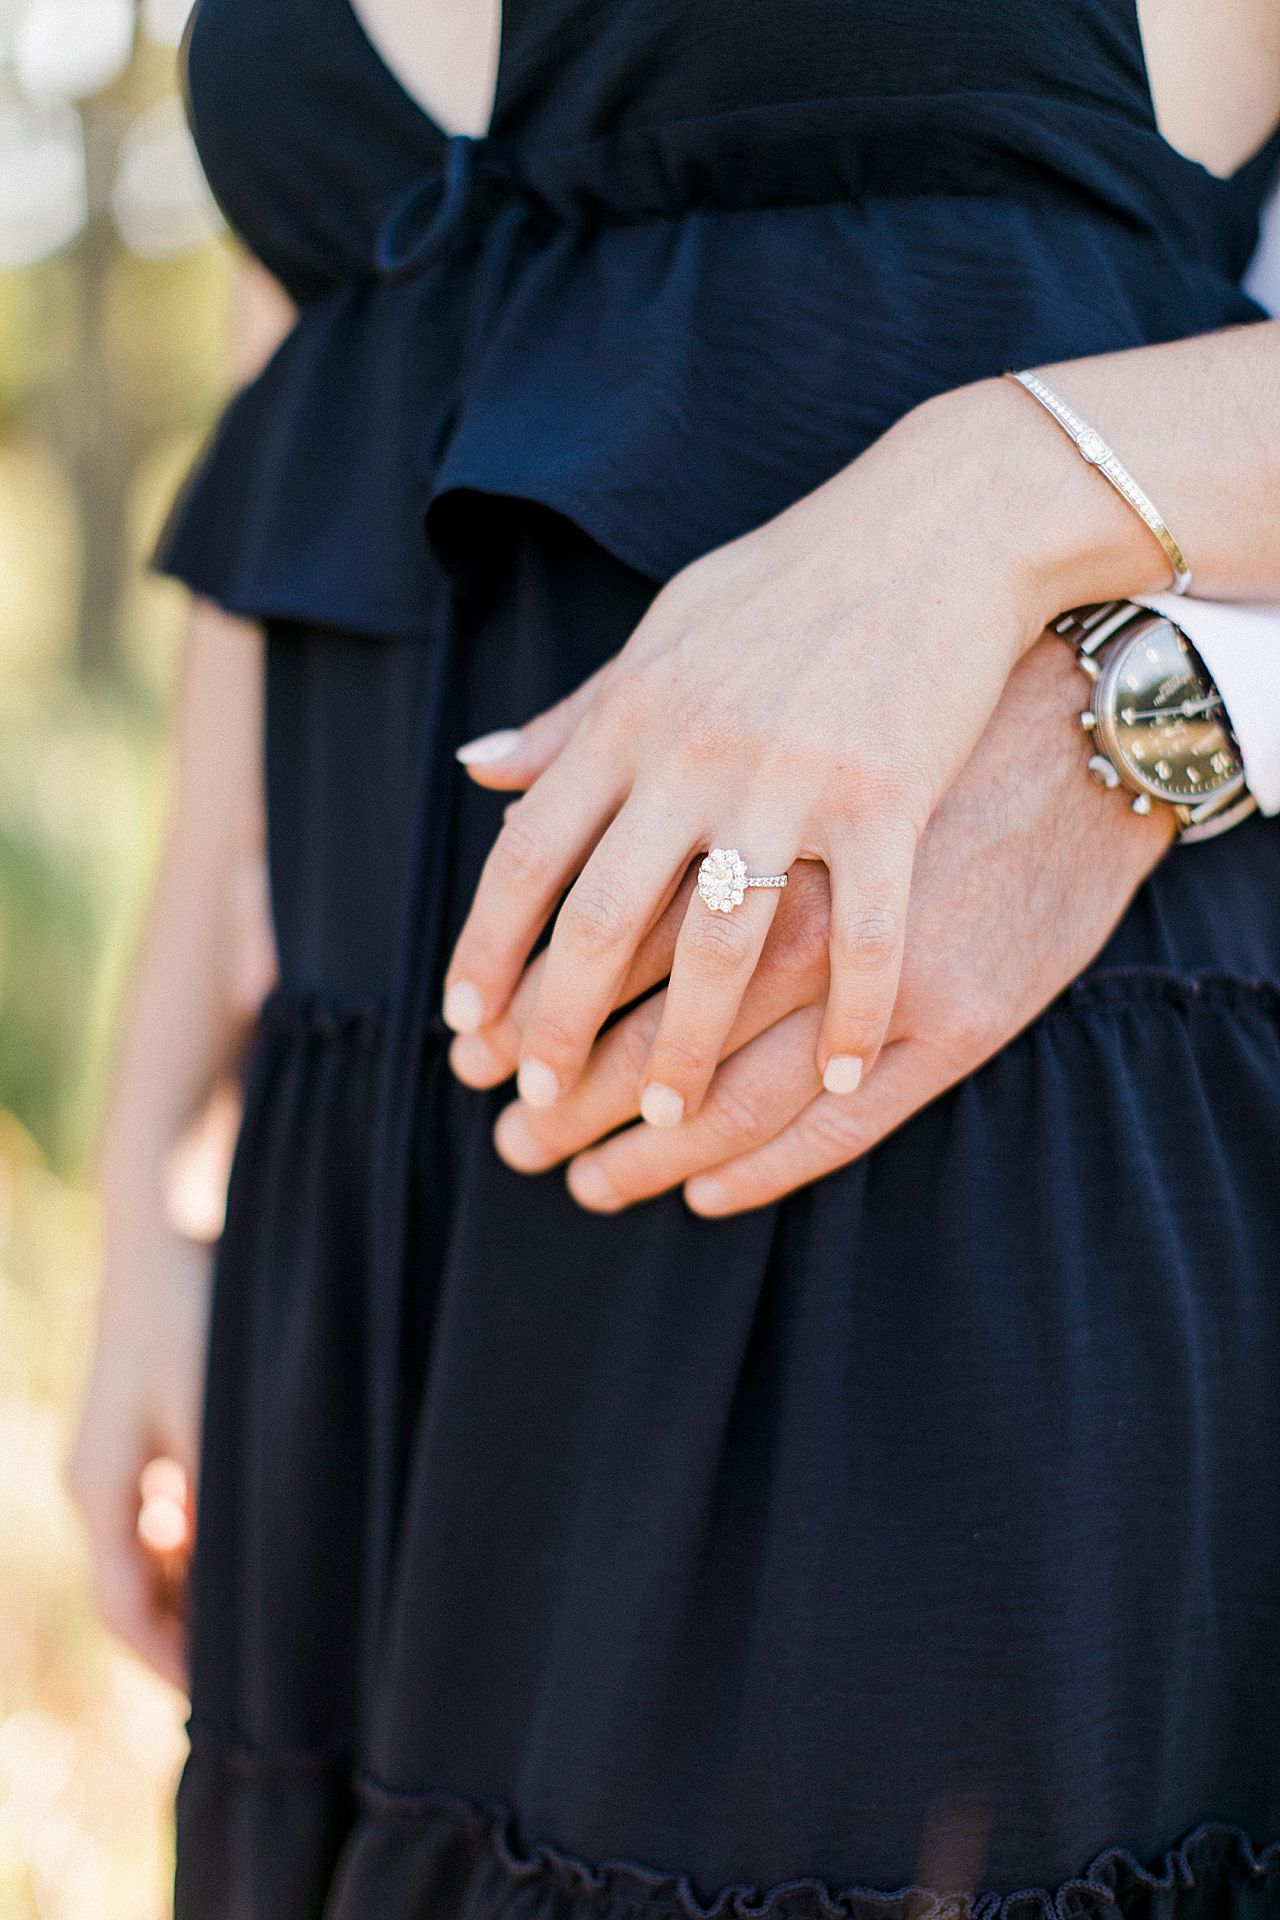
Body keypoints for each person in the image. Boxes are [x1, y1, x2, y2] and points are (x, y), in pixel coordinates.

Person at [70, 1, 1280, 1916]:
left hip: (909, 1151)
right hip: (359, 1236)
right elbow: (293, 423)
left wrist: (1007, 498)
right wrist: (152, 1175)